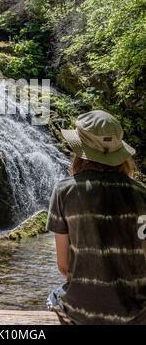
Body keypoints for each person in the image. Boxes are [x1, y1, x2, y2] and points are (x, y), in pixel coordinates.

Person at [46, 110, 146, 325]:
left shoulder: (64, 191)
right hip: (135, 314)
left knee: (54, 295)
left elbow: (64, 265)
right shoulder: (142, 194)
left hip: (81, 312)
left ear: (79, 152)